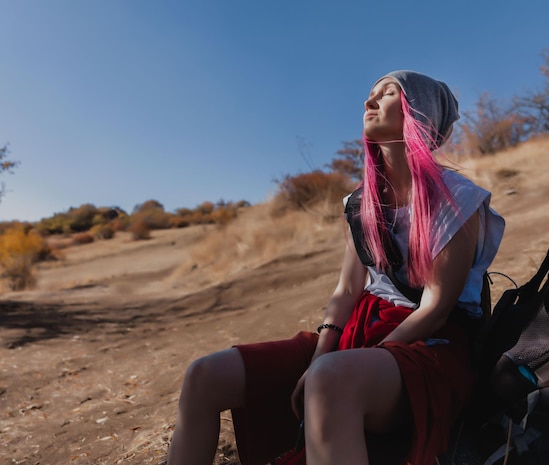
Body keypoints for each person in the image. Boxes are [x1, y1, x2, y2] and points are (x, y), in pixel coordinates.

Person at [166, 70, 505, 465]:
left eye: (387, 93)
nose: (369, 102)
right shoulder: (361, 204)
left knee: (329, 382)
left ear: (420, 113)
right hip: (357, 334)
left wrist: (333, 368)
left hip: (429, 347)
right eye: (370, 94)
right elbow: (346, 291)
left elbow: (435, 309)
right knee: (204, 376)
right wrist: (317, 359)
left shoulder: (456, 199)